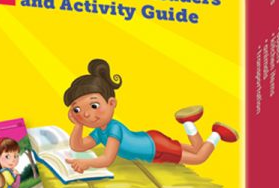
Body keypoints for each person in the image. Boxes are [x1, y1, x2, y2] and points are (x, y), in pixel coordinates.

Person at [64, 59, 238, 174]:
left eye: (94, 106)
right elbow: (78, 146)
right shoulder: (99, 131)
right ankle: (188, 122)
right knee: (195, 148)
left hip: (156, 148)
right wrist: (78, 125)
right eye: (77, 110)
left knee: (199, 158)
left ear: (111, 103)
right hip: (152, 140)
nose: (86, 114)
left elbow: (107, 159)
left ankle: (217, 133)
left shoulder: (113, 128)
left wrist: (87, 163)